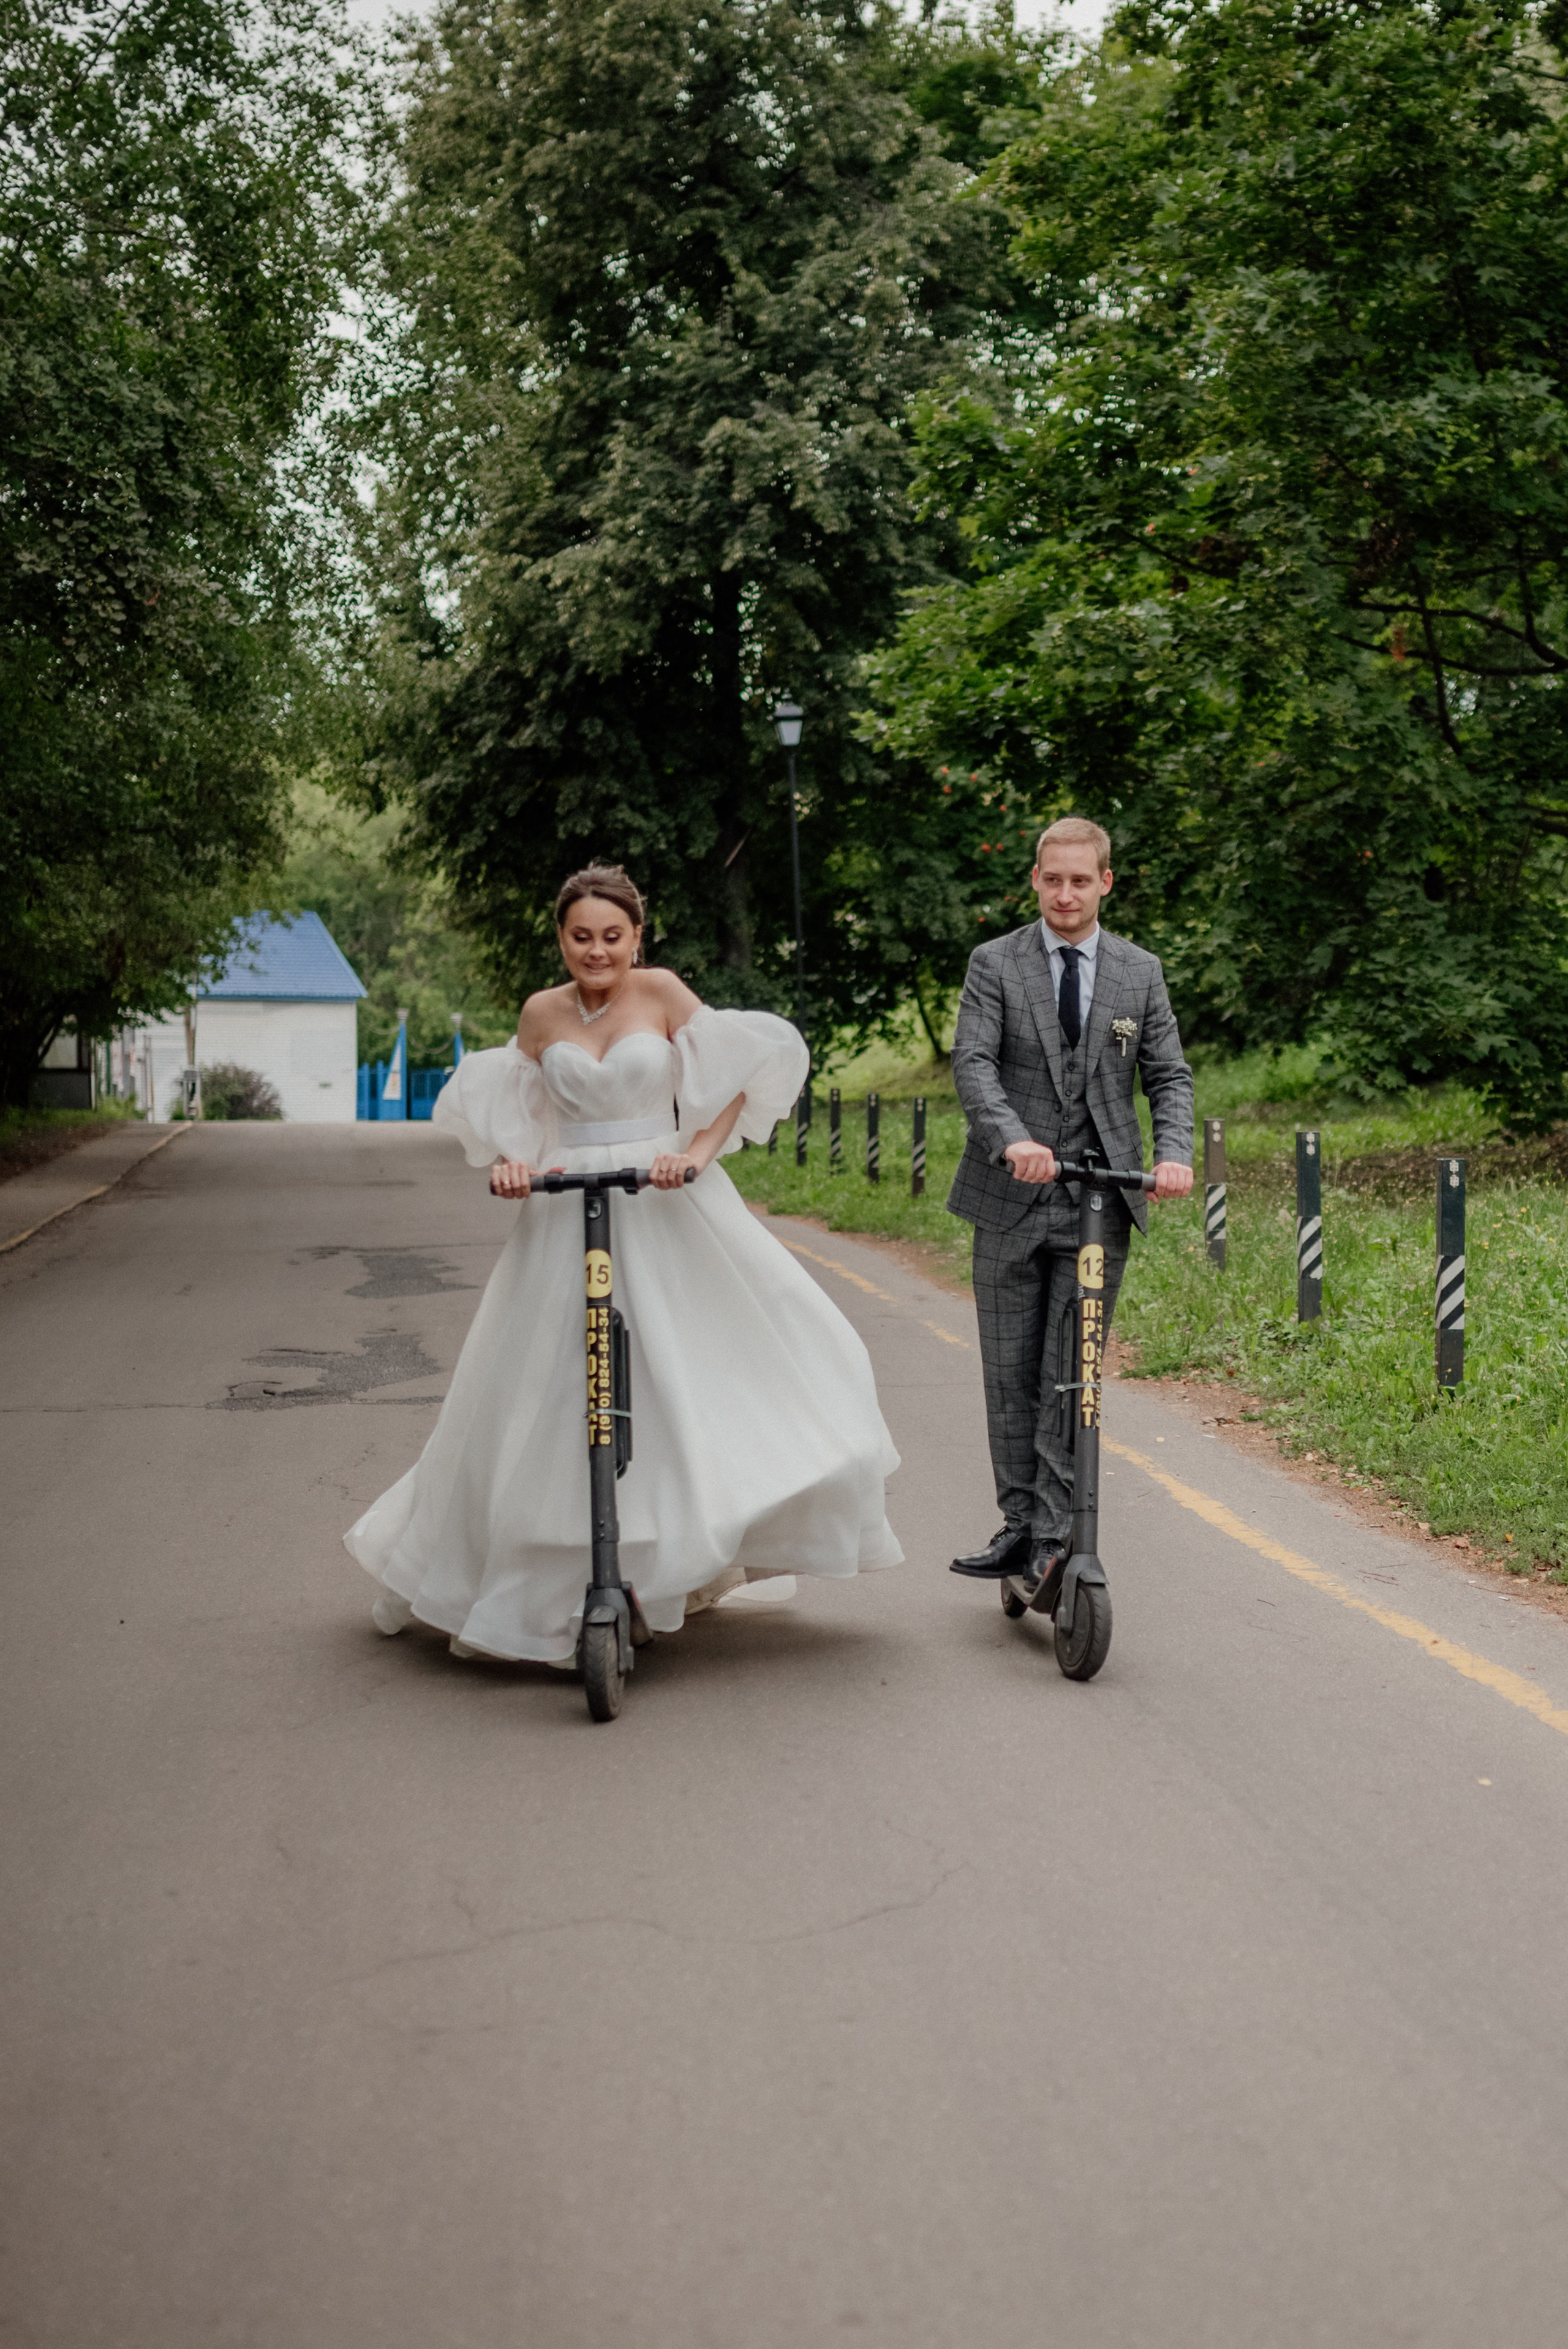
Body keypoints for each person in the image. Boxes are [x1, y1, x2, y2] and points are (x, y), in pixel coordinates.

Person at [345, 863, 902, 1664]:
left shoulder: (664, 993)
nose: (597, 950)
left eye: (613, 936)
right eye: (581, 936)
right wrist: (510, 1163)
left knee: (689, 1374)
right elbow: (519, 1116)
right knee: (559, 1390)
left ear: (638, 936)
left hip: (662, 1194)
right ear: (562, 938)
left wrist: (696, 1154)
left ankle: (664, 1563)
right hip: (568, 1205)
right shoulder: (540, 1013)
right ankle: (571, 1574)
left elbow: (740, 1076)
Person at [946, 817, 1194, 1595]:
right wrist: (1012, 1139)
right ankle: (1020, 1524)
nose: (1064, 893)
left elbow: (1169, 1075)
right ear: (1035, 879)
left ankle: (1055, 1536)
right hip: (1007, 1196)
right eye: (1052, 879)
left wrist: (1174, 1151)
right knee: (1009, 1374)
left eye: (1079, 880)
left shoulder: (1137, 972)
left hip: (1101, 1199)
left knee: (1073, 1375)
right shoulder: (995, 963)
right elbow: (974, 1063)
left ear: (1105, 883)